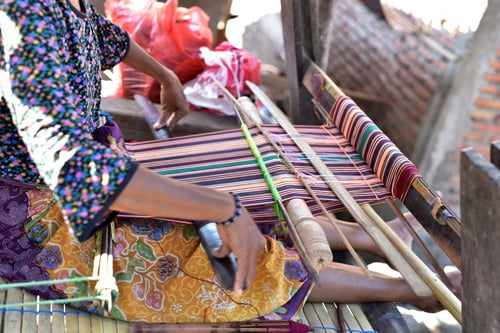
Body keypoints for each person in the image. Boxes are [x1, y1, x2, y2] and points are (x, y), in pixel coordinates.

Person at [0, 0, 460, 324]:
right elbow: (78, 176)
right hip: (36, 219)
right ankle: (416, 292)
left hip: (96, 163)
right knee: (219, 261)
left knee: (231, 204)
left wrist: (164, 75)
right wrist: (223, 208)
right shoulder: (24, 15)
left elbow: (103, 36)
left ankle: (376, 235)